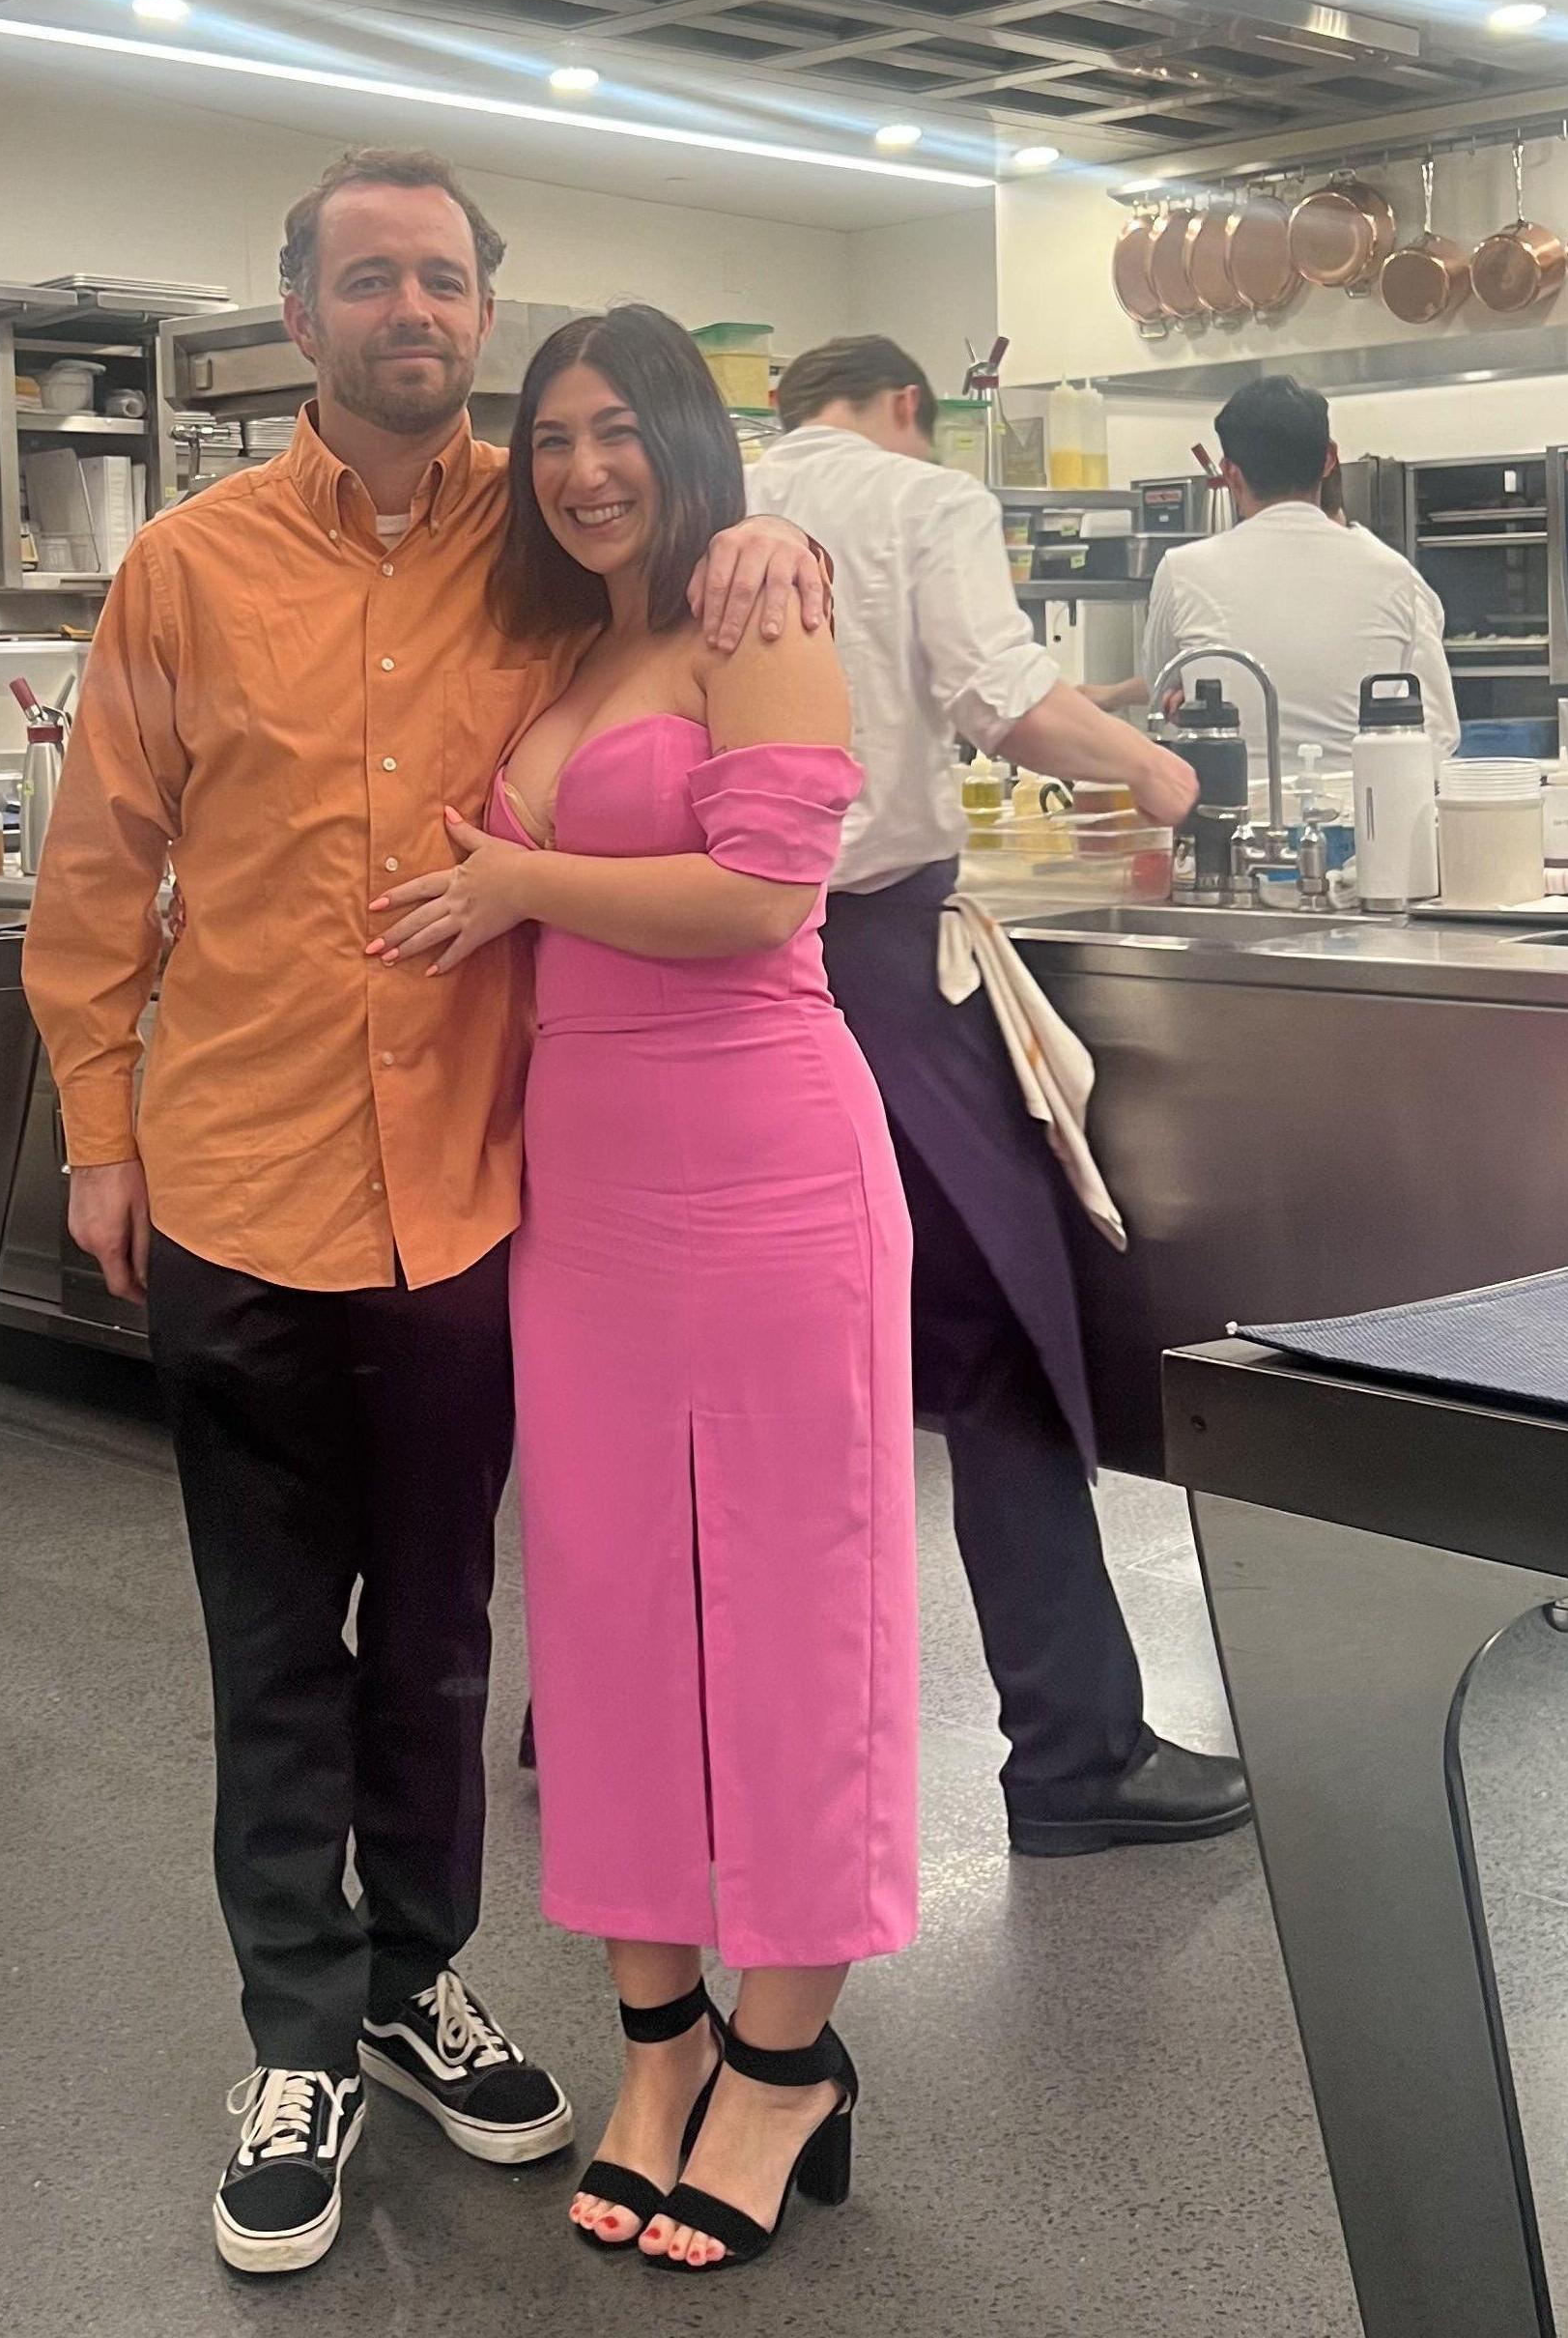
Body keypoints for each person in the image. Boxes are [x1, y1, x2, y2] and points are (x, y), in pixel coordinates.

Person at [21, 146, 826, 2277]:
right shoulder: (185, 569)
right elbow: (97, 872)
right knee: (274, 1630)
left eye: (443, 280)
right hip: (240, 1173)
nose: (411, 313)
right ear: (299, 316)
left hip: (474, 1192)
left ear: (483, 309)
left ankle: (412, 1975)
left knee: (444, 1629)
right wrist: (98, 1134)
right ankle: (294, 2035)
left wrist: (779, 533)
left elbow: (690, 595)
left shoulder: (547, 542)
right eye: (368, 280)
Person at [370, 305, 913, 2275]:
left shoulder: (755, 612)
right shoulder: (568, 649)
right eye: (550, 437)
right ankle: (660, 2035)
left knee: (787, 1607)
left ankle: (784, 2059)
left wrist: (521, 884)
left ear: (686, 439)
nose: (582, 467)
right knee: (605, 1613)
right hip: (585, 1192)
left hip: (764, 1165)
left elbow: (764, 897)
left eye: (616, 429)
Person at [748, 335, 1254, 1860]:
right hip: (877, 975)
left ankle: (598, 1718)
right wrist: (1156, 774)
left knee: (730, 1372)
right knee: (1004, 1347)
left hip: (719, 983)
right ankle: (1074, 1749)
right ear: (908, 407)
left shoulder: (716, 504)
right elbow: (997, 697)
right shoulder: (923, 497)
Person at [1137, 374, 1459, 760]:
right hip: (1363, 796)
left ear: (1230, 473)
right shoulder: (1396, 574)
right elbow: (1439, 733)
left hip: (1228, 796)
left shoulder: (1181, 570)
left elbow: (1161, 688)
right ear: (1329, 459)